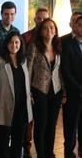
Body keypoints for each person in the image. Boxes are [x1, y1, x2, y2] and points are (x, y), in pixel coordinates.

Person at [26, 18, 64, 158]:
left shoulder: (59, 46)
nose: (49, 30)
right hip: (39, 90)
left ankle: (49, 153)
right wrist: (28, 92)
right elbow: (28, 71)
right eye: (46, 28)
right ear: (41, 31)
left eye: (52, 28)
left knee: (52, 125)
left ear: (55, 31)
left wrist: (63, 92)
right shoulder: (35, 47)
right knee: (41, 125)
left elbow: (61, 71)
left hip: (56, 90)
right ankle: (41, 154)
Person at [0, 32, 33, 158]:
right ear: (6, 44)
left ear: (21, 44)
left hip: (22, 108)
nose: (14, 45)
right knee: (2, 143)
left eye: (17, 42)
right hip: (4, 107)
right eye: (11, 42)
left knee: (18, 142)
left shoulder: (23, 61)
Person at [21, 7, 49, 158]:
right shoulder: (26, 37)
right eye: (39, 18)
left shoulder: (52, 38)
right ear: (35, 20)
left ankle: (44, 149)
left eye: (45, 18)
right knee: (29, 121)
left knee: (44, 122)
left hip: (46, 87)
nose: (42, 21)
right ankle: (26, 148)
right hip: (30, 86)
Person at [61, 15, 82, 158]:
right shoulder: (66, 43)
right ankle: (69, 152)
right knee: (70, 126)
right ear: (74, 25)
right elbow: (65, 70)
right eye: (80, 24)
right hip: (73, 93)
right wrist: (79, 88)